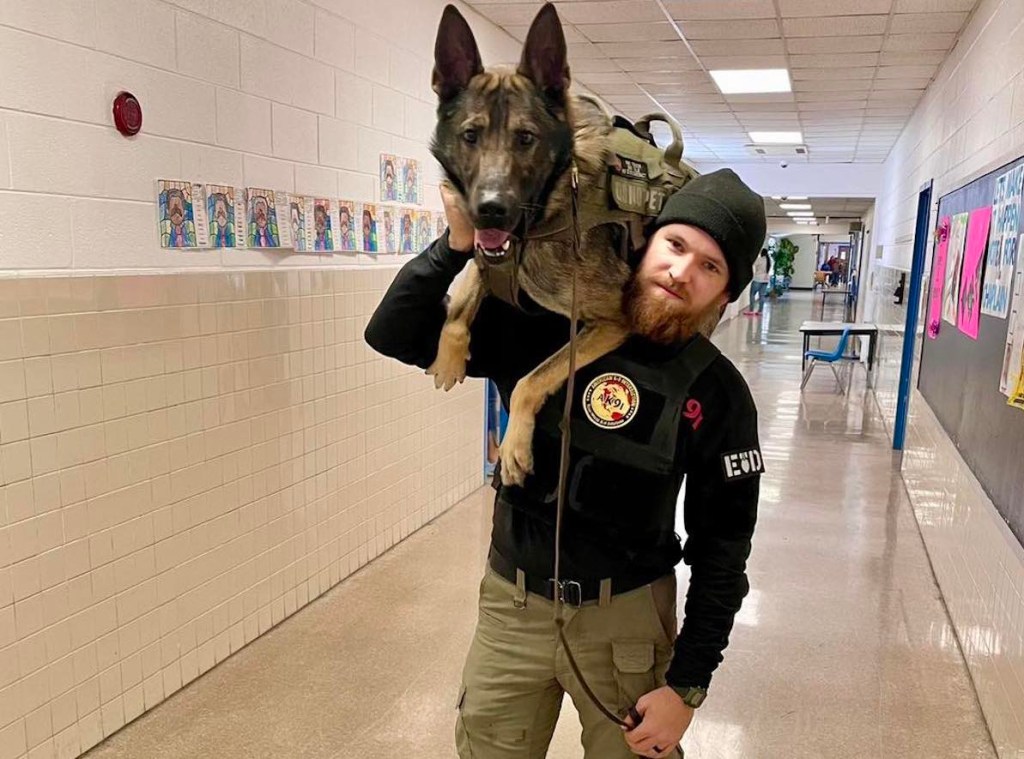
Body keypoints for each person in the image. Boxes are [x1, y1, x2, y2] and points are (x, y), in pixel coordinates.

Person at [365, 169, 767, 759]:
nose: (682, 272)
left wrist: (686, 687)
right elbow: (392, 332)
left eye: (711, 266)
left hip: (626, 626)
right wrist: (453, 247)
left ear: (726, 294)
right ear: (646, 242)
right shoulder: (539, 327)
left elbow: (723, 552)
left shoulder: (717, 393)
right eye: (676, 246)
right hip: (512, 610)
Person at [743, 248, 771, 316]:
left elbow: (752, 263)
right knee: (762, 296)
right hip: (765, 280)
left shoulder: (760, 259)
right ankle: (760, 311)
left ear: (762, 253)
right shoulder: (769, 261)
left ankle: (751, 310)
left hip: (758, 279)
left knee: (752, 294)